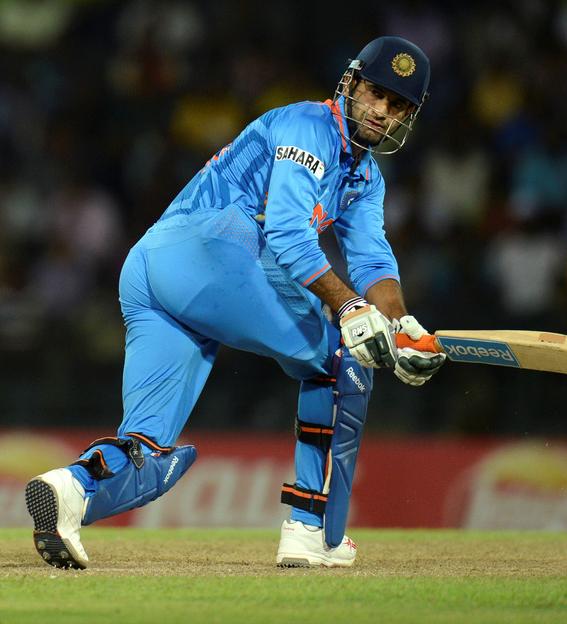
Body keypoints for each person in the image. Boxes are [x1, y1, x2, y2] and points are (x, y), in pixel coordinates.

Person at [25, 37, 447, 569]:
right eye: (375, 93)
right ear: (352, 83)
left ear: (408, 116)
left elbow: (372, 262)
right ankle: (312, 530)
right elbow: (289, 235)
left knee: (151, 453)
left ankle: (70, 489)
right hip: (216, 247)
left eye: (396, 105)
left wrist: (401, 323)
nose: (381, 110)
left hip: (154, 267)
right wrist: (348, 310)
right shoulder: (309, 127)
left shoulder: (365, 178)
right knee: (343, 360)